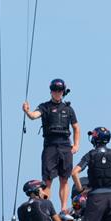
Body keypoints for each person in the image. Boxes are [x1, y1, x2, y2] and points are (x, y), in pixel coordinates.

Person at [23, 78, 81, 212]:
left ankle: (63, 208)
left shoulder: (69, 109)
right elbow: (34, 115)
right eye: (55, 90)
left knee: (64, 179)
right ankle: (46, 209)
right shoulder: (45, 106)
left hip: (65, 146)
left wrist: (76, 145)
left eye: (60, 90)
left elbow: (76, 128)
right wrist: (27, 111)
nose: (57, 93)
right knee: (47, 180)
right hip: (50, 146)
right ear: (51, 91)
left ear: (63, 92)